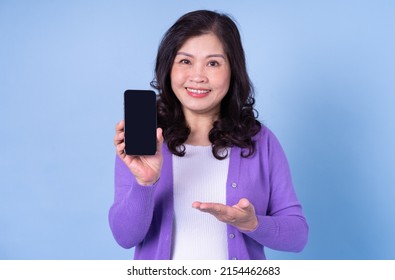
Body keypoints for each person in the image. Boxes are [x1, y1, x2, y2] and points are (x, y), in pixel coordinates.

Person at [110, 10, 308, 260]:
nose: (198, 76)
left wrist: (252, 224)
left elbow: (298, 236)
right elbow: (124, 237)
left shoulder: (261, 141)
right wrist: (145, 184)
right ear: (168, 67)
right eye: (185, 61)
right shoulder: (145, 140)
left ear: (233, 70)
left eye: (213, 63)